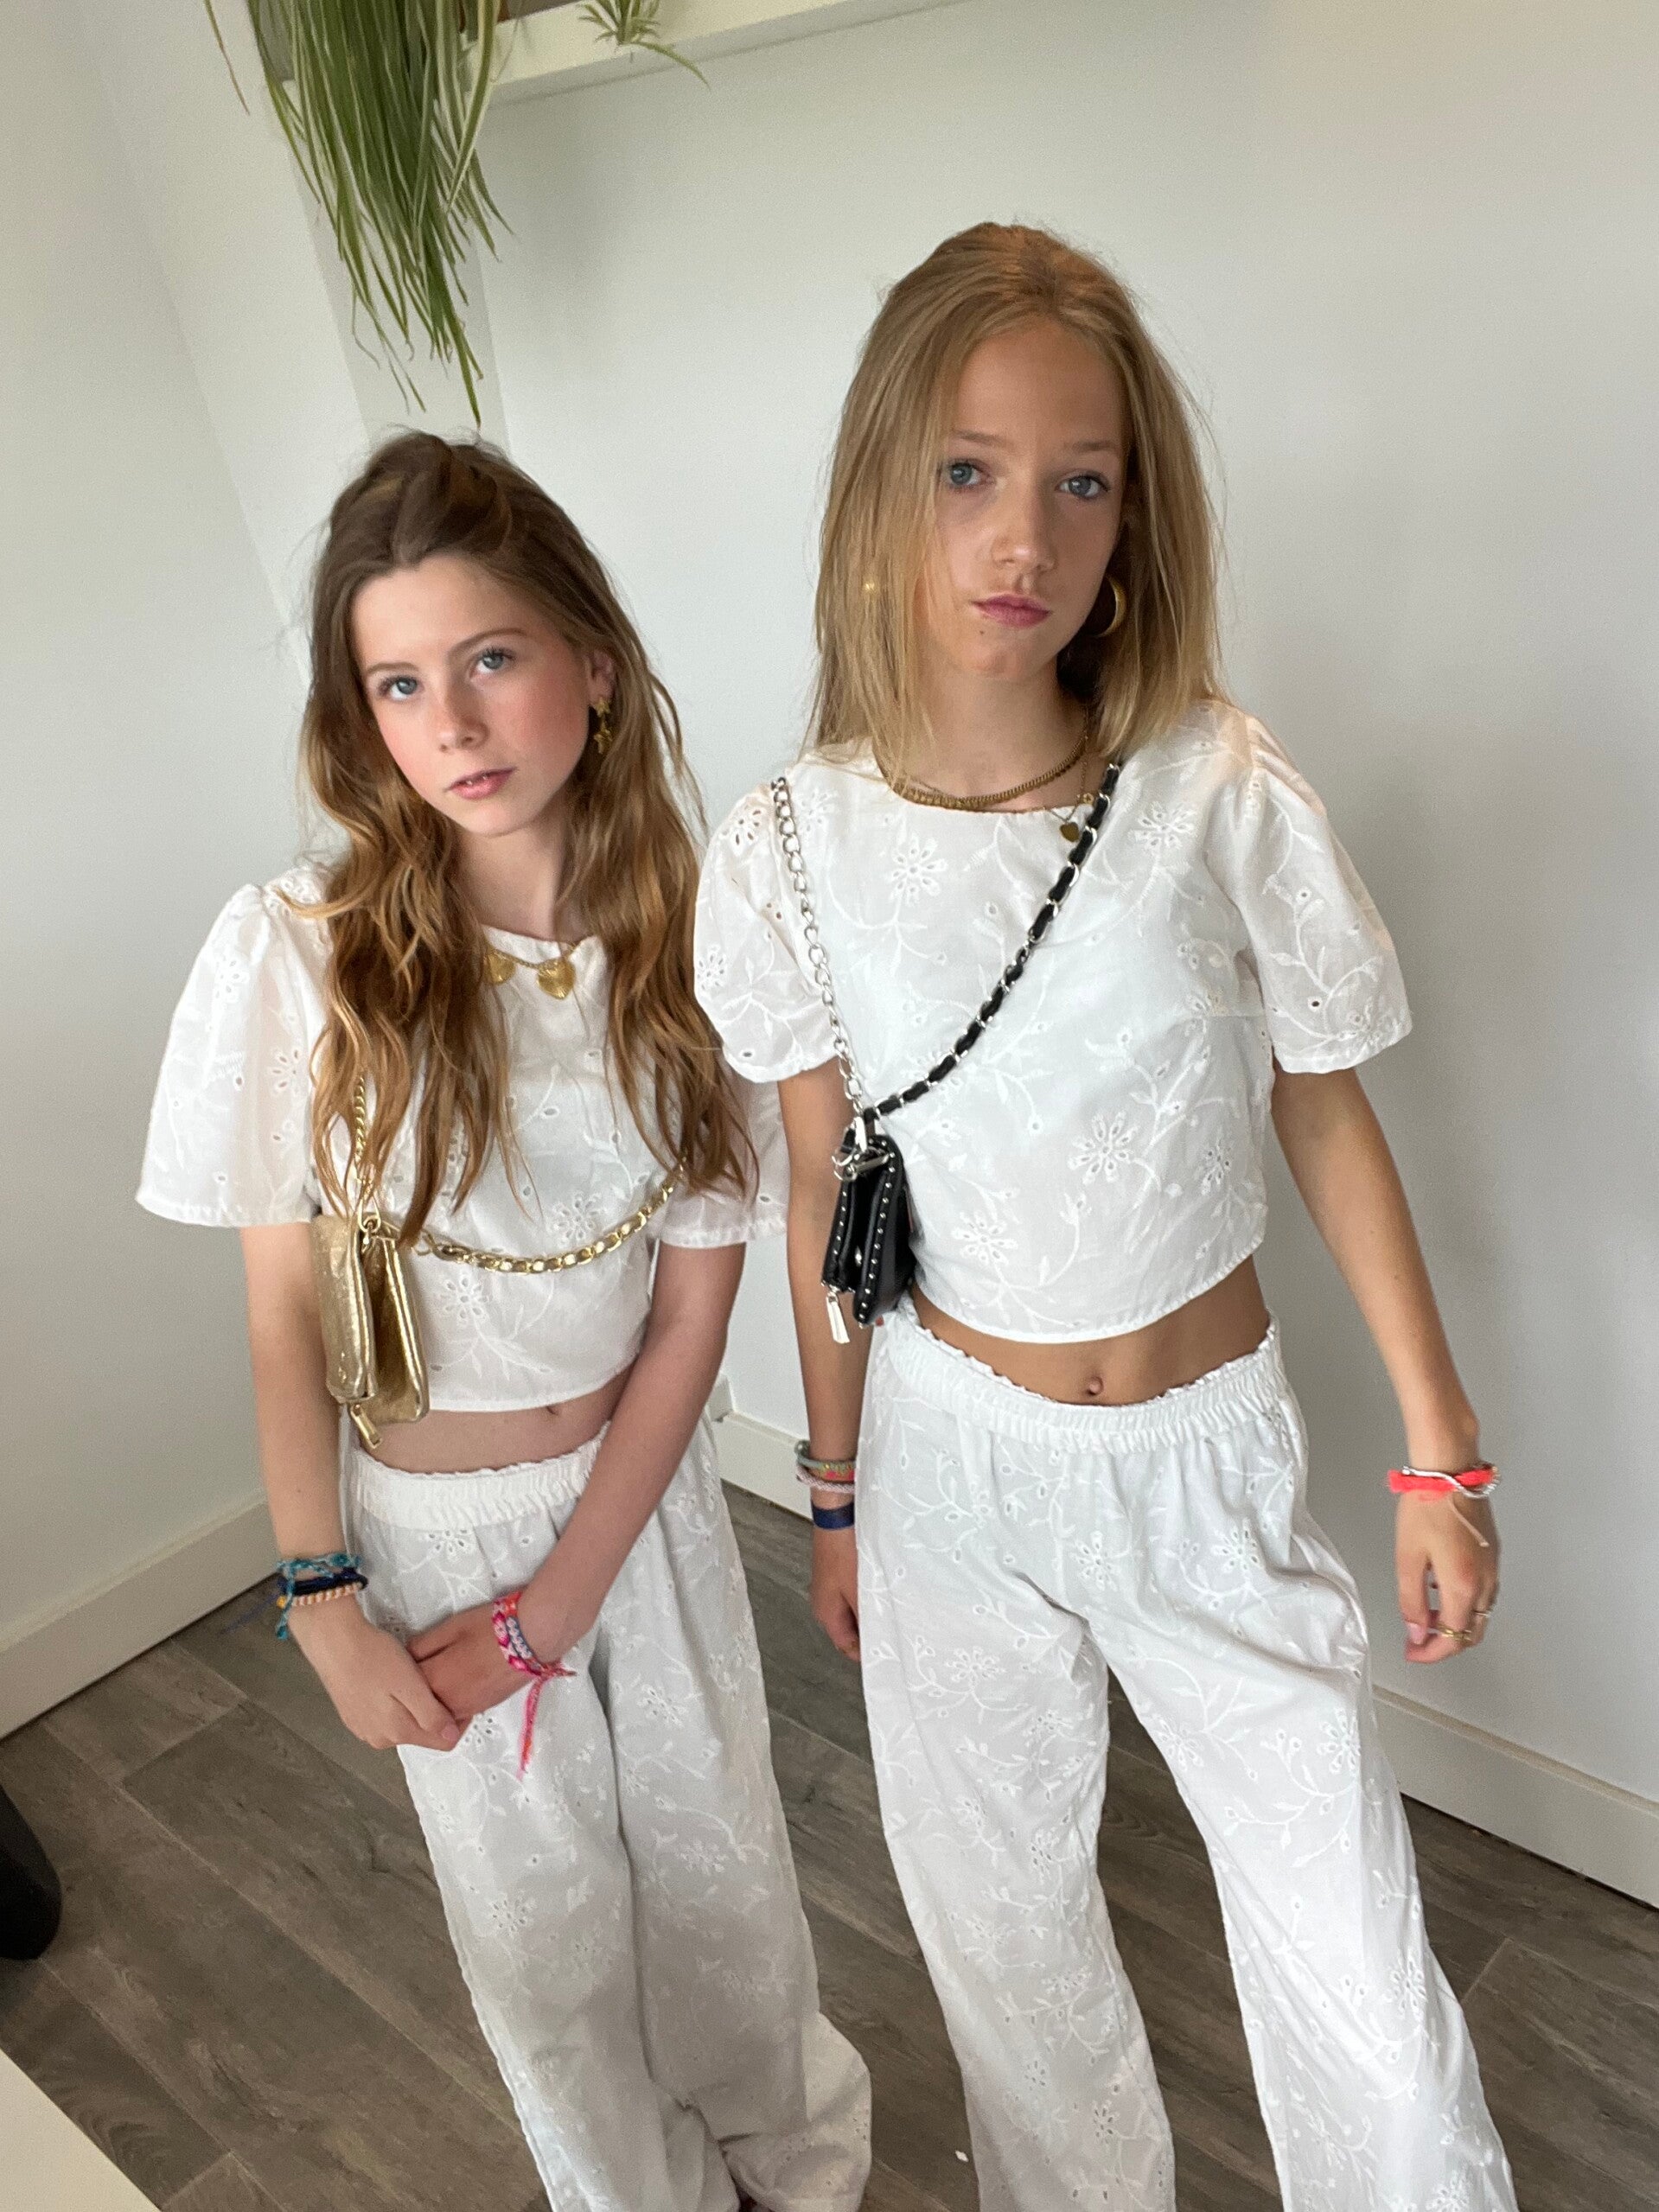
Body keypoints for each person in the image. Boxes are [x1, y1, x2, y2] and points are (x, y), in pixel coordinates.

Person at [694, 224, 1515, 2210]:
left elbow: (1322, 1100)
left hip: (1201, 1460)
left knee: (1373, 2012)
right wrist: (835, 1490)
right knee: (1010, 1965)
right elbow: (824, 1184)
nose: (1025, 536)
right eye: (969, 470)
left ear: (1136, 514)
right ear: (883, 484)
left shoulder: (1213, 785)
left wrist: (1440, 1445)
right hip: (949, 1458)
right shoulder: (791, 840)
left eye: (1084, 479)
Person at [139, 433, 870, 2212]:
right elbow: (284, 1312)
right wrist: (322, 1597)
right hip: (425, 1540)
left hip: (643, 1509)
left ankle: (799, 2167)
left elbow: (691, 1319)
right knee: (544, 1953)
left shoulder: (691, 957)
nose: (453, 723)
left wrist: (562, 1608)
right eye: (398, 682)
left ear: (593, 665)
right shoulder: (299, 957)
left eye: (490, 657)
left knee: (723, 1884)